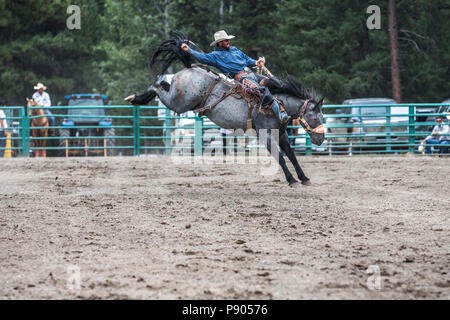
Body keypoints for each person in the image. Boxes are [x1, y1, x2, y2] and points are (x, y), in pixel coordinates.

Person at [181, 30, 290, 127]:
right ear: (220, 43)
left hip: (250, 73)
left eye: (228, 40)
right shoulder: (215, 56)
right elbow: (202, 58)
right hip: (242, 79)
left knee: (272, 81)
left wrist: (255, 62)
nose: (228, 42)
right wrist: (189, 50)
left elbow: (247, 59)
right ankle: (281, 114)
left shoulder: (235, 50)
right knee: (261, 90)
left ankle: (285, 104)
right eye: (226, 40)